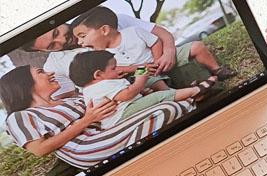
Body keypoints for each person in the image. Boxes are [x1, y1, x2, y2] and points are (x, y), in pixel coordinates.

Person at [0, 65, 192, 169]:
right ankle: (133, 152)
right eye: (41, 72)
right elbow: (40, 149)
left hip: (105, 132)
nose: (50, 73)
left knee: (173, 105)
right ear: (25, 85)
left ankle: (133, 154)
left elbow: (101, 109)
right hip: (87, 149)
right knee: (167, 109)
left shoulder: (67, 100)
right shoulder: (19, 117)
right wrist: (85, 121)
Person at [20, 11, 182, 98]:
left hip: (159, 64)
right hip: (131, 88)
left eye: (56, 32)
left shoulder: (108, 20)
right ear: (42, 51)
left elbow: (160, 33)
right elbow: (69, 96)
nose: (62, 40)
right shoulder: (54, 65)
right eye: (52, 45)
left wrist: (167, 52)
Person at [71, 6, 236, 90]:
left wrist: (162, 57)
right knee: (153, 83)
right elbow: (115, 69)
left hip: (159, 58)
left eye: (82, 36)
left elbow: (156, 39)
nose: (80, 43)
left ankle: (217, 70)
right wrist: (140, 68)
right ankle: (186, 92)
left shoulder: (131, 31)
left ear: (105, 30)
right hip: (142, 73)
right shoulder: (98, 54)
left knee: (197, 46)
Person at [68, 51, 210, 128]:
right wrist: (140, 80)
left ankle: (187, 94)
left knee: (153, 91)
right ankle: (195, 91)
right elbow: (127, 94)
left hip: (125, 109)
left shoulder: (94, 87)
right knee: (157, 97)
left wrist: (139, 81)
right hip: (122, 116)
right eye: (113, 68)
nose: (118, 70)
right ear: (98, 74)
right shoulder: (102, 85)